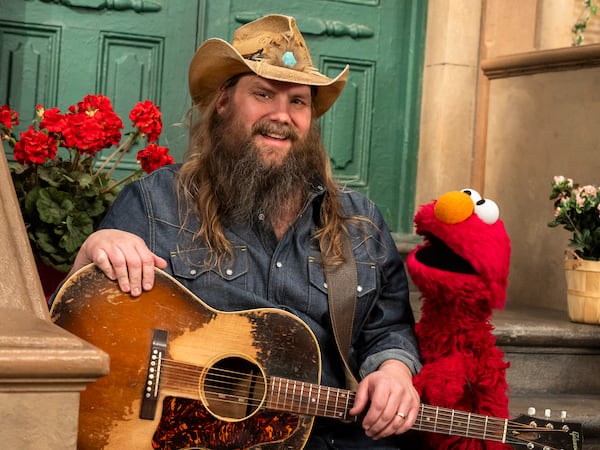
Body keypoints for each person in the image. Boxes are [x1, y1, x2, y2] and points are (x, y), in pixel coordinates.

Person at [68, 14, 422, 449]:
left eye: (298, 101)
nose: (281, 116)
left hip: (325, 433)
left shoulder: (358, 221)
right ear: (223, 102)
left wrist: (394, 370)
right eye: (262, 94)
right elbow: (82, 320)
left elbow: (387, 328)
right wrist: (94, 251)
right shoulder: (156, 202)